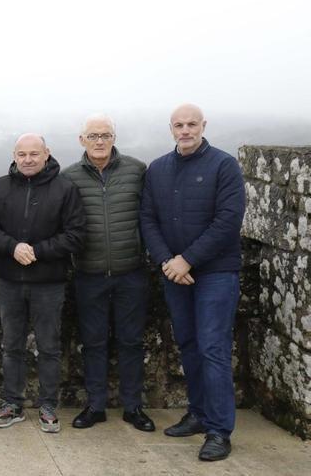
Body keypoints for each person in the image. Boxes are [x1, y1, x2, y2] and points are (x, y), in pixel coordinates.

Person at [140, 104, 245, 461]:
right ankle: (198, 414)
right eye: (179, 125)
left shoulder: (224, 165)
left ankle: (219, 430)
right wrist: (168, 262)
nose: (185, 131)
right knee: (188, 344)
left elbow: (228, 220)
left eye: (191, 125)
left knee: (213, 347)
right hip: (175, 273)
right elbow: (148, 220)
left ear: (203, 126)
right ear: (171, 129)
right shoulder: (158, 169)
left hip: (216, 272)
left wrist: (188, 259)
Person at [0, 133, 84, 434]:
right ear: (14, 155)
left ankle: (48, 405)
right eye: (22, 154)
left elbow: (75, 235)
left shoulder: (65, 188)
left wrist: (37, 251)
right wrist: (13, 247)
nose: (27, 159)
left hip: (48, 282)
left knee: (49, 347)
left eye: (34, 154)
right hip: (8, 280)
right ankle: (12, 404)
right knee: (11, 346)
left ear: (47, 154)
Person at [62, 114, 155, 432]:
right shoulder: (69, 177)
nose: (99, 141)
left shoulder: (136, 170)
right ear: (81, 140)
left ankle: (133, 407)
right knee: (93, 342)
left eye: (105, 135)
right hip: (88, 273)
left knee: (131, 342)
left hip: (131, 272)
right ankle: (95, 406)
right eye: (92, 136)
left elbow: (150, 215)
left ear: (114, 137)